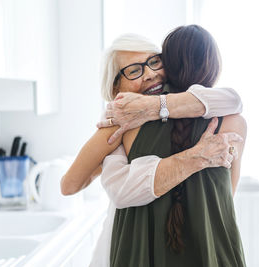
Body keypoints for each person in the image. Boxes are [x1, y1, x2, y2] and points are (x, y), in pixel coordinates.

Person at [59, 33, 243, 266]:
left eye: (154, 62)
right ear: (116, 86)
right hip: (137, 239)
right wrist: (105, 159)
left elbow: (233, 99)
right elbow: (71, 184)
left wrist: (153, 107)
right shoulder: (118, 122)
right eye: (134, 71)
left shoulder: (192, 106)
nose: (150, 74)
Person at [109, 25, 246, 266]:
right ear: (213, 65)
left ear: (167, 66)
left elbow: (70, 184)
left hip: (150, 249)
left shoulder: (135, 122)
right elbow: (228, 194)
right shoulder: (234, 122)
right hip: (214, 247)